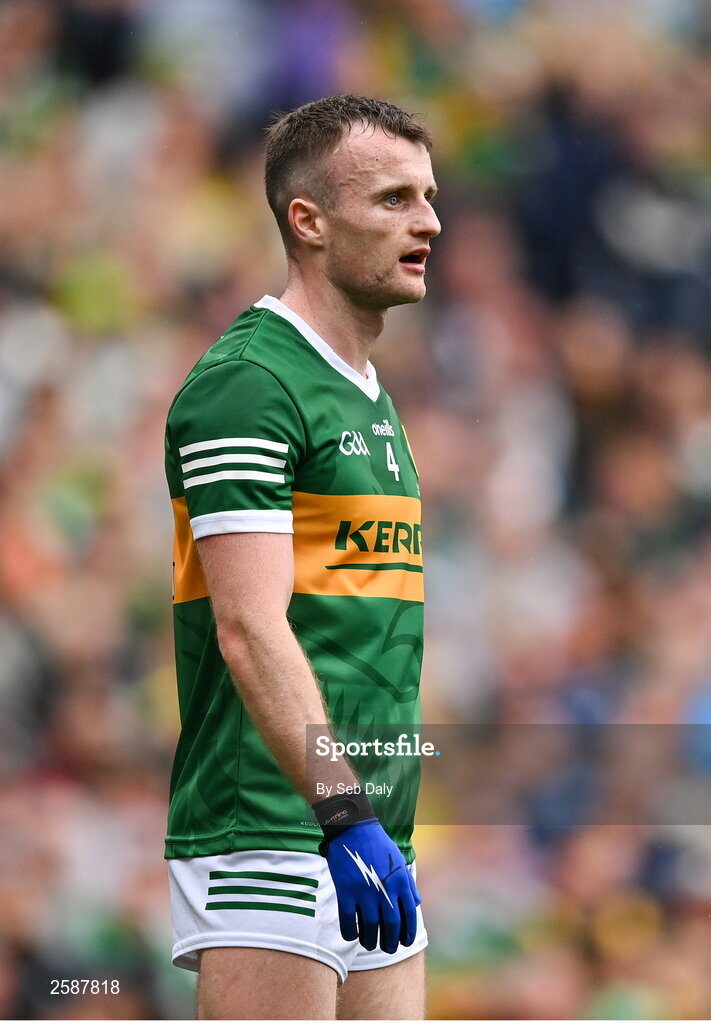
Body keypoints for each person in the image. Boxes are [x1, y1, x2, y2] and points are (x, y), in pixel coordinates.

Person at [164, 94, 441, 1020]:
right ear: (308, 221)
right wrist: (341, 813)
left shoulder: (367, 395)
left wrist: (369, 820)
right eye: (395, 198)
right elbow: (247, 627)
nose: (429, 221)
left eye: (428, 196)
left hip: (368, 826)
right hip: (274, 825)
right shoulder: (250, 383)